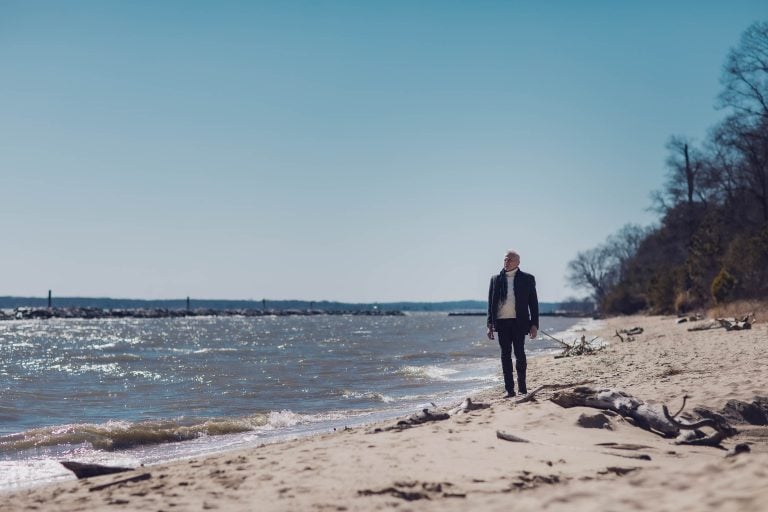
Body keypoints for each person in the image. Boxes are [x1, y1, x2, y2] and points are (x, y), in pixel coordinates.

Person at [486, 250, 539, 398]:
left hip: (519, 322)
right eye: (505, 260)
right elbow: (491, 304)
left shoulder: (527, 279)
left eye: (510, 260)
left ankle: (522, 388)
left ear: (517, 262)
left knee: (520, 354)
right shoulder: (495, 279)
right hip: (501, 323)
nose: (506, 262)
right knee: (505, 355)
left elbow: (533, 304)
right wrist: (489, 324)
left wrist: (534, 324)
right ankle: (509, 390)